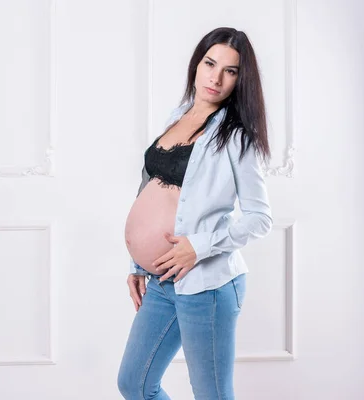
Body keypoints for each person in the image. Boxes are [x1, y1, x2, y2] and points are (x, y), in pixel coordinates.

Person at [118, 27, 273, 400]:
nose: (216, 77)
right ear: (197, 64)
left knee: (212, 396)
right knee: (134, 384)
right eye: (210, 63)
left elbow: (260, 217)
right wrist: (138, 262)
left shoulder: (238, 137)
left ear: (241, 80)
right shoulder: (178, 115)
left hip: (207, 287)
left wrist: (197, 246)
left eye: (231, 71)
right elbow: (151, 187)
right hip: (160, 282)